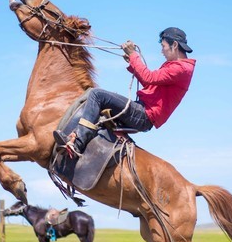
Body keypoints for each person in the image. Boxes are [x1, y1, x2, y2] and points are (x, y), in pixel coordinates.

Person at [53, 27, 196, 157]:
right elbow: (148, 82)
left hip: (144, 115)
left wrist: (134, 55)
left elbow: (149, 77)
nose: (162, 51)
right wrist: (132, 62)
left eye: (163, 46)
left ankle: (77, 143)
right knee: (102, 102)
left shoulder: (181, 68)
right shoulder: (177, 66)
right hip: (143, 112)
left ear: (175, 45)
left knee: (97, 95)